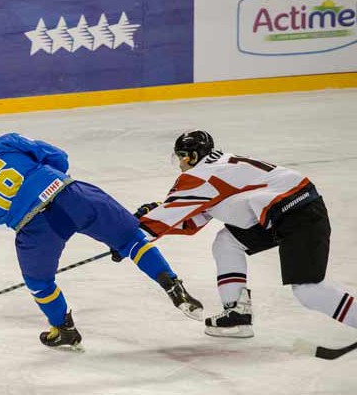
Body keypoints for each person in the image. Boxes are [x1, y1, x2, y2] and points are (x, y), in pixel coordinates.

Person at [0, 122, 204, 349]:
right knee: (131, 240)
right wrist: (52, 180)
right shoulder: (6, 141)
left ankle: (64, 329)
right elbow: (58, 156)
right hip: (69, 194)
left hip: (33, 226)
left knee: (40, 284)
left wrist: (23, 207)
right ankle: (172, 284)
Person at [136, 130, 357, 338]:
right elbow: (191, 222)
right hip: (285, 211)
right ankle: (237, 316)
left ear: (193, 156)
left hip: (297, 213)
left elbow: (159, 222)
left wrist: (128, 236)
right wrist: (155, 210)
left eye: (181, 157)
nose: (180, 164)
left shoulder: (200, 175)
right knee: (227, 241)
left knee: (309, 291)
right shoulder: (220, 167)